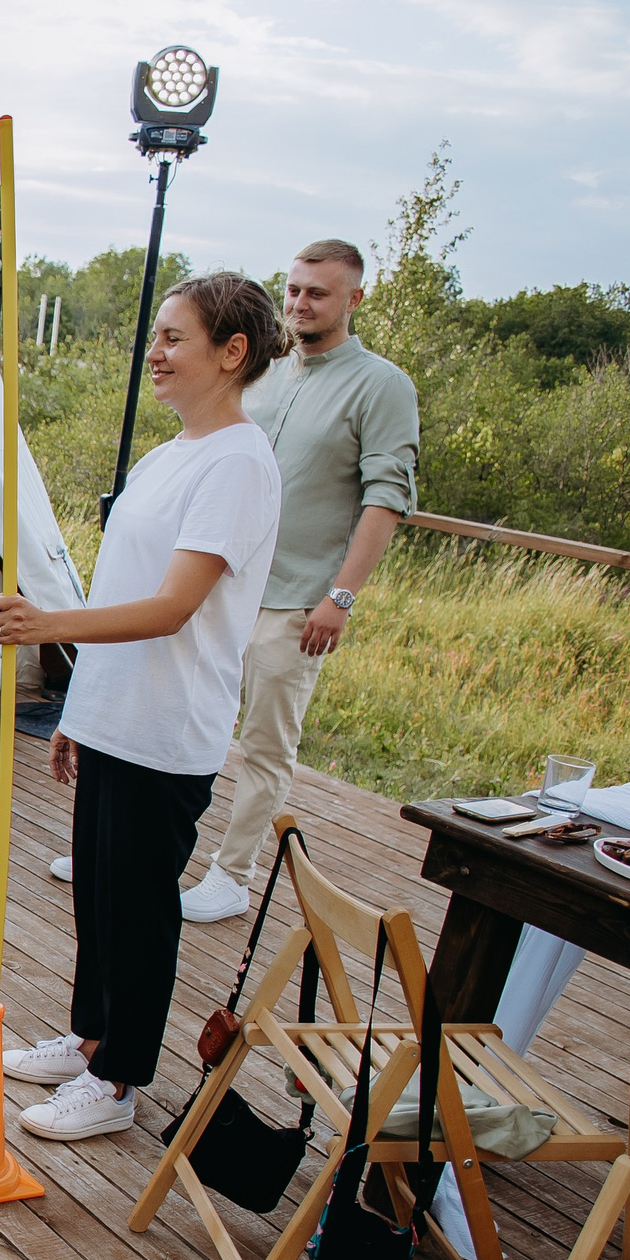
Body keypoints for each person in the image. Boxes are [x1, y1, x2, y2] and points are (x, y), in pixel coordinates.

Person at [0, 273, 287, 1143]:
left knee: (138, 914)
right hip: (116, 715)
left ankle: (118, 1081)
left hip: (167, 728)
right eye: (156, 336)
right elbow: (123, 587)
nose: (154, 353)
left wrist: (46, 626)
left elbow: (172, 608)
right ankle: (90, 1041)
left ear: (232, 353)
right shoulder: (168, 456)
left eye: (173, 338)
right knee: (98, 900)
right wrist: (80, 709)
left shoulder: (238, 463)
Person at [179, 239, 420, 921]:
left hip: (296, 599)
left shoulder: (381, 385)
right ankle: (150, 849)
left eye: (317, 292)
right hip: (220, 584)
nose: (300, 303)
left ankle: (232, 875)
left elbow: (386, 499)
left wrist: (339, 596)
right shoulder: (263, 375)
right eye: (293, 289)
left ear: (354, 299)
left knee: (264, 741)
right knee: (184, 718)